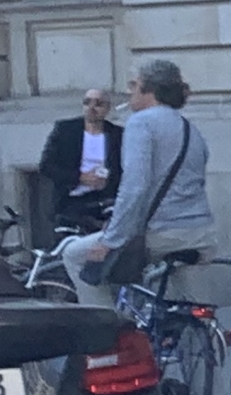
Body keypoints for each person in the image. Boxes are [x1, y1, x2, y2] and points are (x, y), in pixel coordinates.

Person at [63, 60, 216, 310]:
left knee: (75, 256)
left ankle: (106, 340)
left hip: (163, 233)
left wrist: (110, 241)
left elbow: (135, 187)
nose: (129, 91)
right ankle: (206, 340)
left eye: (133, 85)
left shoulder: (141, 123)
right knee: (197, 310)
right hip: (201, 232)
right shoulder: (190, 128)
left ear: (149, 89)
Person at [38, 87, 122, 233]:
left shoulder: (118, 135)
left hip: (105, 201)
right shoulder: (65, 130)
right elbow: (46, 166)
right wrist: (81, 178)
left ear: (107, 108)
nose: (92, 108)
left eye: (98, 104)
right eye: (87, 102)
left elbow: (123, 169)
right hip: (71, 202)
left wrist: (107, 180)